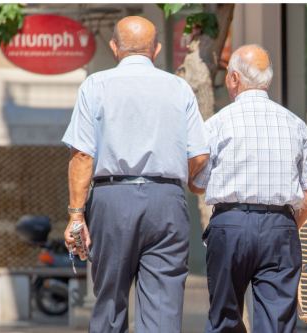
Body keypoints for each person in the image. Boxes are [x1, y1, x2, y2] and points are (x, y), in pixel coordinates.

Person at [62, 16, 209, 333]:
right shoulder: (178, 88)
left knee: (110, 302)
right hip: (167, 201)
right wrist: (172, 181)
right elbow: (199, 154)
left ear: (114, 47)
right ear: (156, 49)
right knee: (162, 309)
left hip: (112, 200)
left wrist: (76, 215)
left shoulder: (95, 85)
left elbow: (83, 155)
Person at [191, 44, 307, 333]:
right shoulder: (293, 123)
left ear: (234, 79)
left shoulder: (217, 123)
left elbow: (197, 184)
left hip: (230, 225)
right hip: (279, 226)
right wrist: (291, 223)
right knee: (277, 319)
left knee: (224, 317)